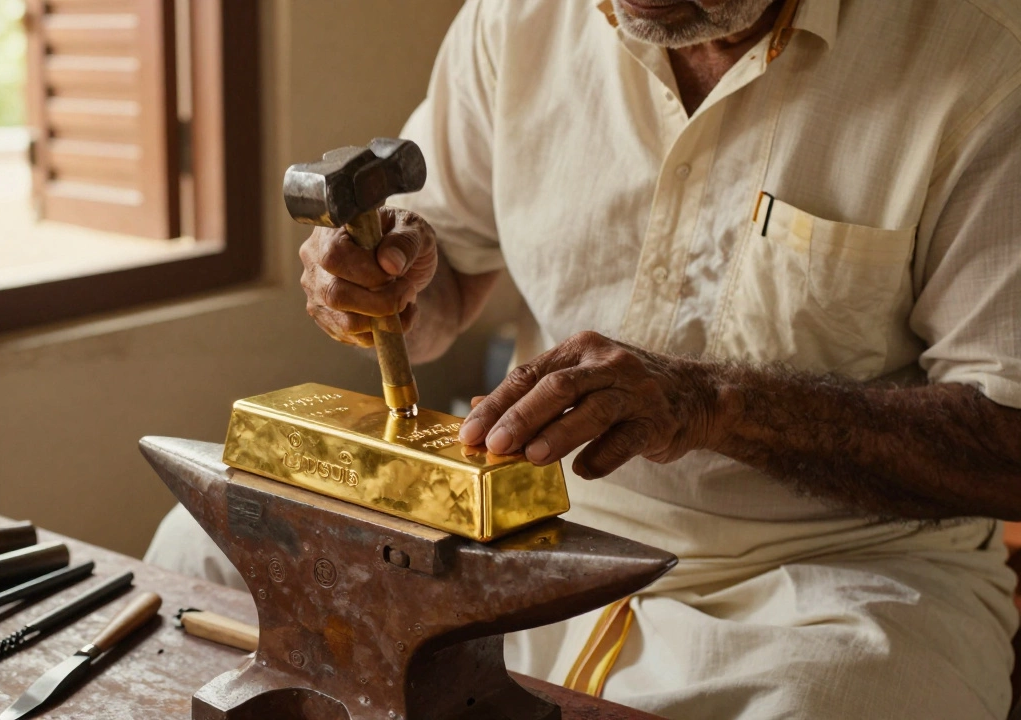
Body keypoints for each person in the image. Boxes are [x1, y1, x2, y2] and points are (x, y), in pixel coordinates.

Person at [148, 0, 1021, 716]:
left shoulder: (986, 62)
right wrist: (387, 282)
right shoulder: (516, 20)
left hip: (828, 584)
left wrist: (714, 402)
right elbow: (441, 265)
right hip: (529, 535)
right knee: (195, 556)